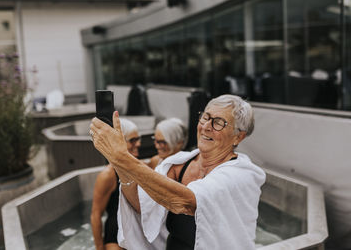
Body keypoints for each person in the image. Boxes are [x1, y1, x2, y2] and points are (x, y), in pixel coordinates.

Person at [90, 94, 266, 250]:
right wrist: (117, 161)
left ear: (238, 136)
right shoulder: (178, 164)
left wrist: (122, 157)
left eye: (219, 122)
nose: (206, 126)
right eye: (206, 117)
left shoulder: (243, 174)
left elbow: (185, 202)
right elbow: (141, 205)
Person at [90, 118, 142, 250]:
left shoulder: (139, 167)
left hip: (137, 233)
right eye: (133, 140)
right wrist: (99, 248)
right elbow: (96, 215)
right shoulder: (108, 175)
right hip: (115, 237)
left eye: (138, 139)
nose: (139, 144)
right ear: (120, 142)